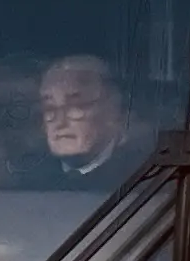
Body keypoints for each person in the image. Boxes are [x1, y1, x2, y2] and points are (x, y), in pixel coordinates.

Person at [37, 53, 147, 181]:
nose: (60, 122)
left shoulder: (143, 175)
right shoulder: (27, 184)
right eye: (49, 108)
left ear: (112, 110)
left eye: (77, 105)